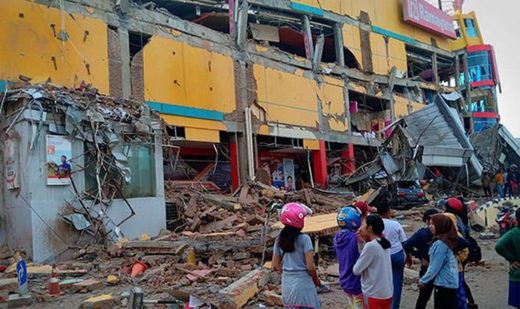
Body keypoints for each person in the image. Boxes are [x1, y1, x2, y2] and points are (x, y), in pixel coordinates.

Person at [272, 202, 321, 308]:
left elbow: (275, 266)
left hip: (287, 287)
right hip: (304, 287)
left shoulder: (279, 239)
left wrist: (288, 272)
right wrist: (316, 280)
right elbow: (310, 268)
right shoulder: (305, 239)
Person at [419, 214, 459, 309]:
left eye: (433, 224)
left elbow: (434, 267)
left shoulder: (440, 244)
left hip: (443, 284)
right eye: (430, 224)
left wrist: (423, 280)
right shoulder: (448, 239)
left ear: (440, 225)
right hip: (451, 282)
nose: (430, 226)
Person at [353, 214, 393, 309]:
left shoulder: (371, 246)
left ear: (370, 228)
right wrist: (362, 243)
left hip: (374, 294)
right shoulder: (383, 243)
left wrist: (362, 244)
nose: (360, 228)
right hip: (387, 292)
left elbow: (356, 270)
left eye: (363, 224)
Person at [403, 208, 440, 309]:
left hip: (427, 267)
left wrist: (419, 256)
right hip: (440, 270)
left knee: (423, 297)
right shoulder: (443, 234)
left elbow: (406, 245)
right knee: (440, 299)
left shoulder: (421, 234)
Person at [377, 204, 407, 309]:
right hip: (396, 254)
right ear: (388, 211)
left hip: (382, 256)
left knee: (382, 281)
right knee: (397, 282)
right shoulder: (395, 224)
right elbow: (404, 242)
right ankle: (394, 306)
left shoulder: (376, 224)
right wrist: (408, 256)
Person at [334, 207, 363, 309]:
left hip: (344, 279)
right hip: (356, 281)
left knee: (352, 305)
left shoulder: (336, 238)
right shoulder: (355, 238)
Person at [495, 207, 520, 309]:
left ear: (517, 219)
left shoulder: (512, 233)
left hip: (518, 274)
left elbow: (498, 246)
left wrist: (511, 259)